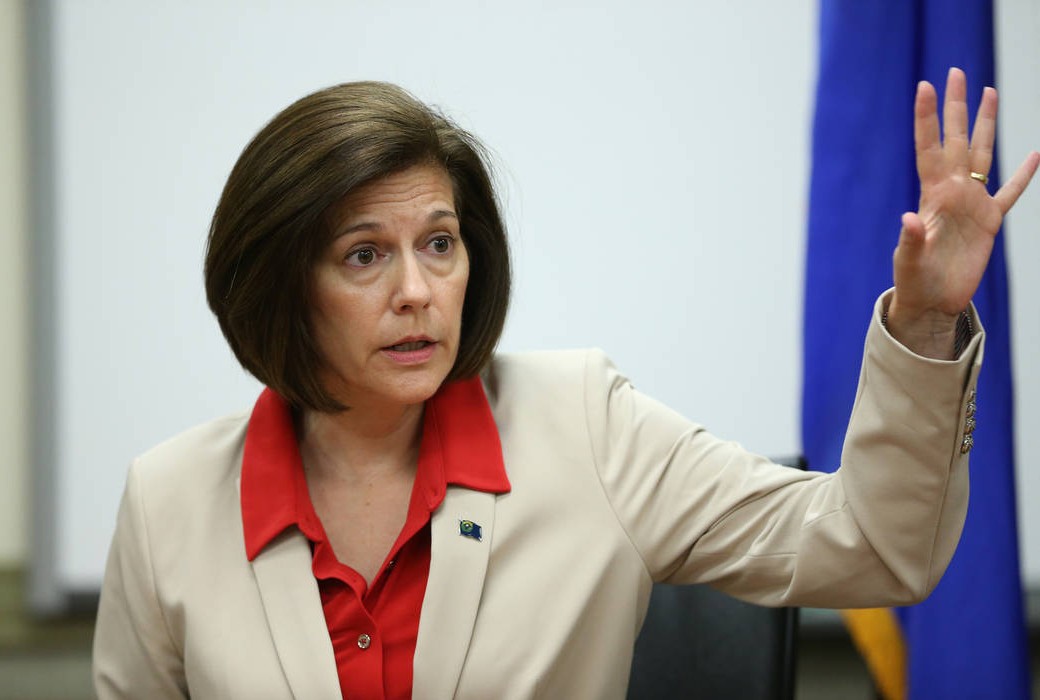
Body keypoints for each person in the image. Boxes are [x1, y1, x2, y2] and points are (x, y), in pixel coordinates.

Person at [92, 71, 1038, 699]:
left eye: (438, 243)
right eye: (364, 255)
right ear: (279, 286)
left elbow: (876, 548)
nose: (417, 291)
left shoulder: (585, 425)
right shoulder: (169, 504)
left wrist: (922, 321)